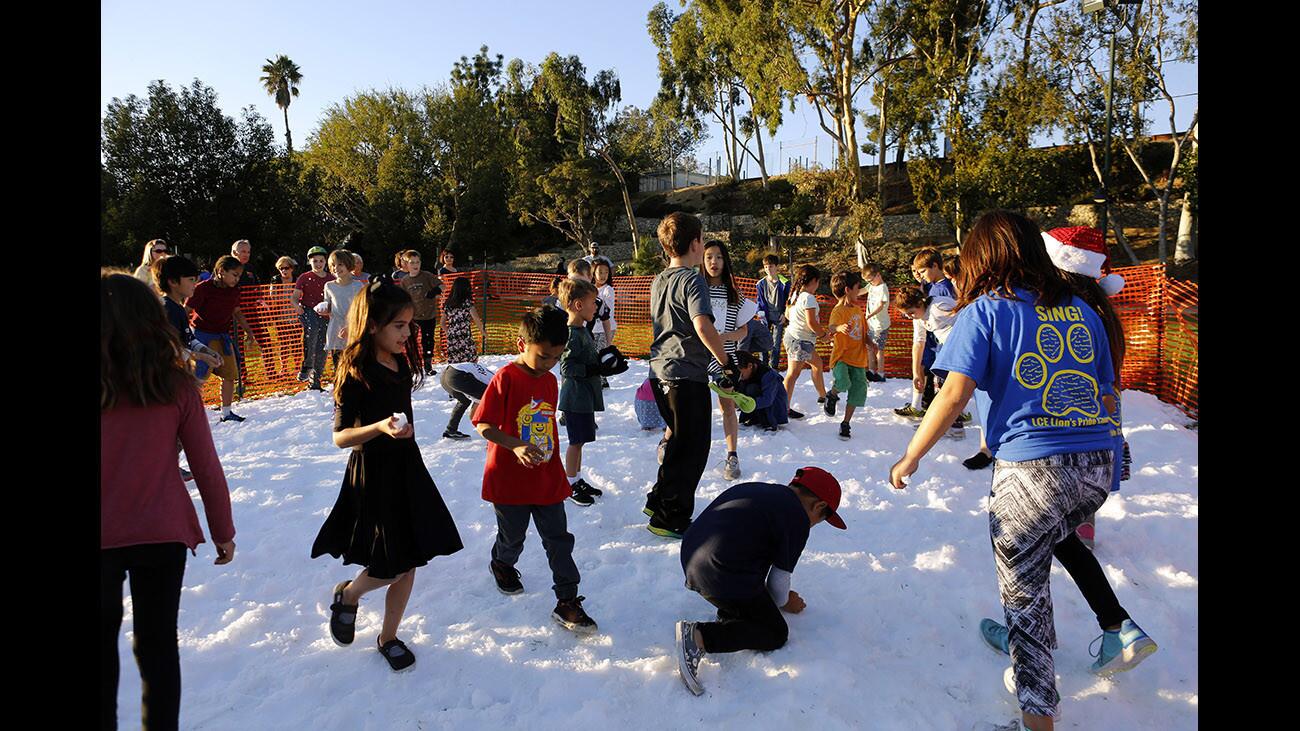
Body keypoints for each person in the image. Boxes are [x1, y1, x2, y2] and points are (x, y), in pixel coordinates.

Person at [888, 210, 1156, 731]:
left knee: (1025, 599)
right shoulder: (1082, 308)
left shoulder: (985, 311)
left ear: (979, 259)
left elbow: (954, 392)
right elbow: (1105, 390)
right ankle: (1106, 624)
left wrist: (911, 455)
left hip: (1035, 470)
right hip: (1095, 467)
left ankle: (1037, 716)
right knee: (1052, 539)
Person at [101, 271, 236, 730]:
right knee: (158, 646)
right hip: (161, 533)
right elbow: (206, 467)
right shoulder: (176, 386)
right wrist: (223, 531)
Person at [311, 279, 464, 672]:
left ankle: (389, 636)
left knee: (410, 559)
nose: (408, 333)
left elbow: (400, 415)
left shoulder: (399, 361)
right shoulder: (355, 370)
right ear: (374, 325)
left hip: (407, 468)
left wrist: (403, 430)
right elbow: (340, 437)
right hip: (373, 475)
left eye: (410, 325)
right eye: (399, 326)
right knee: (389, 564)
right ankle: (349, 595)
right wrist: (380, 427)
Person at [471, 306, 599, 633]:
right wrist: (514, 445)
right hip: (509, 478)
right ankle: (502, 563)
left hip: (545, 476)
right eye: (543, 357)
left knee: (559, 539)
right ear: (521, 345)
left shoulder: (551, 381)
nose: (549, 365)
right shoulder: (505, 378)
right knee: (512, 538)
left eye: (556, 358)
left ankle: (567, 601)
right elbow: (483, 424)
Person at [673, 467, 846, 695]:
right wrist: (785, 603)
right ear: (819, 506)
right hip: (720, 571)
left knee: (752, 583)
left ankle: (734, 612)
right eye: (820, 520)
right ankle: (699, 637)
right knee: (774, 632)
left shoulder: (760, 490)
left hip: (692, 558)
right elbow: (778, 581)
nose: (813, 524)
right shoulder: (797, 519)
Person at [1040, 225, 1132, 549]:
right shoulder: (1102, 310)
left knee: (1067, 472)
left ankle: (1070, 535)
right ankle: (1085, 529)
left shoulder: (1068, 312)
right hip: (1104, 409)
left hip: (1073, 404)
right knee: (1090, 475)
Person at [644, 212, 733, 539]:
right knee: (693, 448)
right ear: (696, 244)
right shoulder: (692, 279)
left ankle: (659, 500)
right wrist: (725, 361)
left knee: (679, 443)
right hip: (685, 374)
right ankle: (671, 517)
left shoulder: (659, 280)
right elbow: (702, 325)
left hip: (659, 372)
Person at [701, 240, 753, 481]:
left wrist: (724, 336)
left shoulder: (734, 293)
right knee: (690, 405)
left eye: (719, 257)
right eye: (709, 256)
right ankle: (668, 440)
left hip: (726, 358)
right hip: (697, 357)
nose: (714, 262)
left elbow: (743, 330)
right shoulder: (696, 288)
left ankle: (732, 455)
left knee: (727, 405)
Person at [188, 255, 255, 422]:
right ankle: (189, 413)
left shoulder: (234, 291)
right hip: (201, 336)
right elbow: (186, 309)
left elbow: (236, 311)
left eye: (239, 275)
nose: (237, 279)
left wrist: (249, 331)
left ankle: (226, 412)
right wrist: (182, 333)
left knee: (230, 374)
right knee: (198, 376)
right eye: (234, 274)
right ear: (220, 271)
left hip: (222, 336)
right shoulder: (203, 288)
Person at [557, 278, 604, 506]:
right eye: (593, 302)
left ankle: (577, 478)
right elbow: (567, 366)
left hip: (584, 396)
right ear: (578, 305)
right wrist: (594, 368)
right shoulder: (572, 333)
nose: (596, 307)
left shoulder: (582, 330)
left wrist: (604, 362)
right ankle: (570, 484)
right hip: (575, 397)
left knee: (582, 440)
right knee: (575, 441)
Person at [895, 284, 962, 437]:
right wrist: (915, 372)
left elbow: (966, 317)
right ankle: (945, 424)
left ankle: (954, 425)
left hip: (960, 349)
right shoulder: (919, 317)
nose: (909, 316)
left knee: (948, 389)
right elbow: (918, 342)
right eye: (906, 314)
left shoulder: (939, 307)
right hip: (948, 350)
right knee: (941, 387)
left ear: (920, 303)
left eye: (910, 313)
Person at [824, 271, 870, 440]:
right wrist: (838, 328)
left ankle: (846, 423)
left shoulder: (858, 309)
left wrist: (870, 343)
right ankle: (832, 394)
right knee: (843, 382)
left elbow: (864, 330)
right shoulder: (838, 311)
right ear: (847, 290)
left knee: (858, 391)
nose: (859, 292)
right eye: (857, 288)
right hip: (842, 357)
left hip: (858, 358)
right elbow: (830, 328)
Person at [781, 264, 829, 419]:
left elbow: (788, 315)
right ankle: (783, 408)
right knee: (792, 375)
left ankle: (823, 395)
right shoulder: (809, 298)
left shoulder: (796, 295)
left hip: (794, 337)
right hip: (800, 342)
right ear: (814, 281)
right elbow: (812, 323)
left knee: (817, 364)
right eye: (818, 282)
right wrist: (823, 336)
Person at [293, 246, 335, 388]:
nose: (318, 264)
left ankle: (315, 381)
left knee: (323, 346)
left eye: (321, 261)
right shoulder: (304, 277)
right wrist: (297, 306)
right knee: (312, 332)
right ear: (310, 262)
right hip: (308, 310)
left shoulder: (331, 279)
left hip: (325, 312)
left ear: (325, 262)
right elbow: (294, 297)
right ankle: (307, 365)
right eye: (315, 261)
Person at [396, 249, 443, 376]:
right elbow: (403, 298)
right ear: (406, 264)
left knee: (428, 340)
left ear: (420, 263)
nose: (415, 265)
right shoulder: (405, 281)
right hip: (413, 317)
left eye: (417, 262)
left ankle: (428, 364)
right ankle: (413, 364)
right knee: (411, 341)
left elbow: (442, 286)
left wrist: (435, 291)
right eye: (412, 262)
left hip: (429, 315)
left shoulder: (427, 275)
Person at [321, 249, 365, 382]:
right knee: (339, 368)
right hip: (335, 331)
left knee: (355, 368)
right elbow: (328, 305)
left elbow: (362, 310)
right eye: (333, 265)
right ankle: (342, 395)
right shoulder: (328, 286)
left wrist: (350, 327)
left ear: (348, 264)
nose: (336, 268)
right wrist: (323, 308)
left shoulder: (358, 286)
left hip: (354, 331)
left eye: (340, 264)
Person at [440, 361, 495, 440]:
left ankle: (451, 430)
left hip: (445, 376)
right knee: (489, 399)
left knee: (464, 401)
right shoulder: (494, 384)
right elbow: (475, 411)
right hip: (458, 375)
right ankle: (493, 436)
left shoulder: (493, 378)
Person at [734, 351, 789, 431]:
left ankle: (768, 422)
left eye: (741, 374)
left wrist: (743, 404)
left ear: (750, 366)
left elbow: (767, 400)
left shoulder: (769, 375)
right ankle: (752, 418)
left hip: (775, 408)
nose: (740, 377)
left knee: (751, 388)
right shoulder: (748, 372)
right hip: (758, 404)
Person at [754, 254, 791, 370]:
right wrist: (760, 313)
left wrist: (785, 314)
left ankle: (773, 366)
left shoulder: (785, 283)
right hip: (765, 316)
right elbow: (759, 301)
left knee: (776, 343)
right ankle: (762, 365)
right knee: (763, 340)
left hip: (779, 316)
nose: (768, 269)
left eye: (770, 266)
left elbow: (790, 301)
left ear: (776, 267)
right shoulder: (760, 284)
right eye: (765, 267)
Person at [442, 277, 486, 365]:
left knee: (455, 363)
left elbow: (442, 323)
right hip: (465, 335)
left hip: (452, 337)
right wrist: (483, 332)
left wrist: (449, 333)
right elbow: (476, 319)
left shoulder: (448, 304)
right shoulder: (467, 303)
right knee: (471, 360)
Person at [860, 262, 890, 382]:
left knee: (878, 348)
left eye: (871, 280)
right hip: (871, 324)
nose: (870, 283)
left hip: (880, 325)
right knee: (870, 347)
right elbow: (862, 290)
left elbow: (882, 305)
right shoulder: (872, 286)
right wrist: (849, 293)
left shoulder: (883, 288)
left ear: (878, 275)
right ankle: (871, 370)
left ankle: (881, 372)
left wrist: (871, 314)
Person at [592, 258, 618, 388]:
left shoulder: (608, 290)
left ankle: (601, 381)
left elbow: (606, 309)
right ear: (593, 273)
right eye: (600, 272)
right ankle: (601, 379)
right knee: (593, 353)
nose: (603, 275)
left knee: (600, 353)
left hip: (606, 328)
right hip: (593, 329)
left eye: (606, 272)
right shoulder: (590, 288)